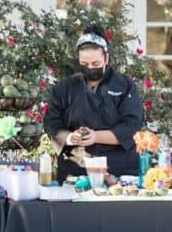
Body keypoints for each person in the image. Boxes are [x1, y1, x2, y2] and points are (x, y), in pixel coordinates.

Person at [44, 25, 144, 182]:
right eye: (84, 64)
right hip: (76, 168)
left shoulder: (124, 86)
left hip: (118, 168)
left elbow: (132, 126)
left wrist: (96, 136)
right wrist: (70, 137)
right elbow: (52, 123)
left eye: (96, 64)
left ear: (106, 58)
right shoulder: (64, 88)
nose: (90, 69)